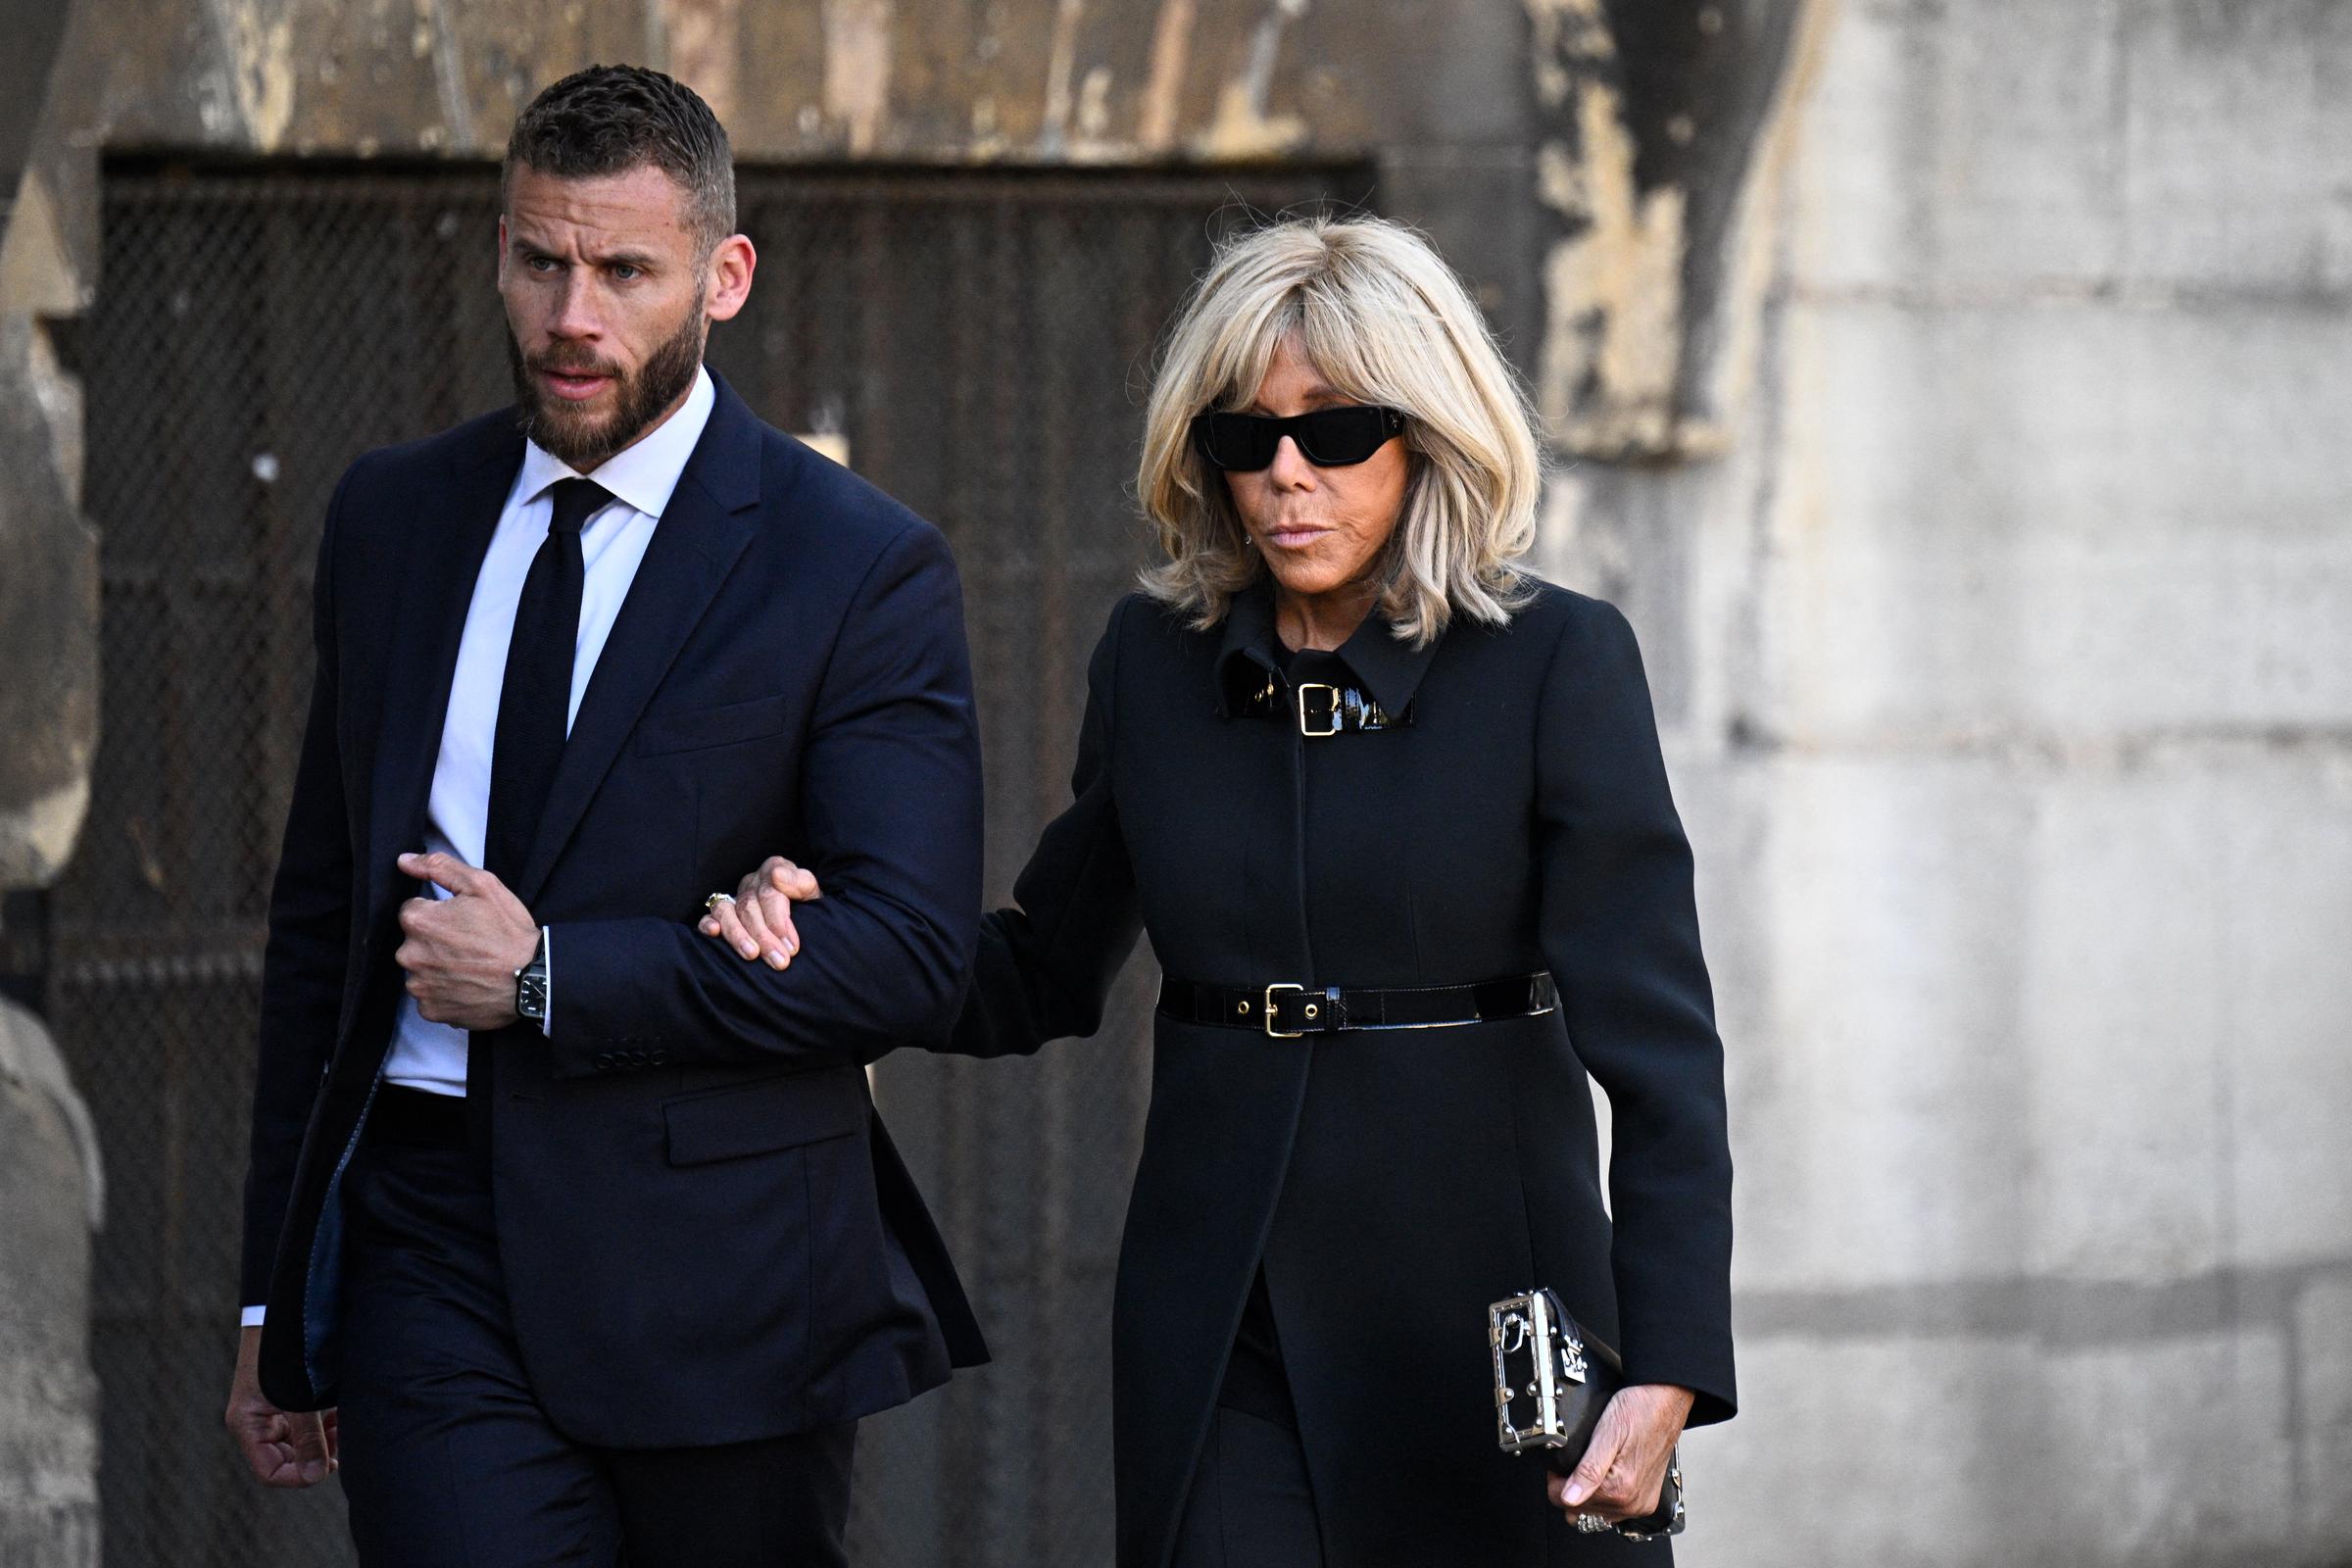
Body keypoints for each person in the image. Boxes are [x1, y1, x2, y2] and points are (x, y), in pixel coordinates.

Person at [701, 216, 1737, 1566]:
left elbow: (1662, 1060)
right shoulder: (1155, 662)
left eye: (1335, 432)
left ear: (1430, 436)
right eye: (1246, 438)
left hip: (1495, 1325)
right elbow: (1038, 969)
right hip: (1229, 1321)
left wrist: (1668, 1366)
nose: (1285, 475)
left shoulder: (1559, 664)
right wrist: (820, 940)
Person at [222, 65, 988, 1567]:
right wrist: (272, 1294)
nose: (572, 316)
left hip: (727, 1266)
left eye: (625, 271)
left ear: (724, 276)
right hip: (430, 1243)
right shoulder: (393, 517)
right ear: (500, 253)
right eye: (540, 262)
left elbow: (909, 953)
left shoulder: (856, 563)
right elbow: (322, 922)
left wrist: (552, 977)